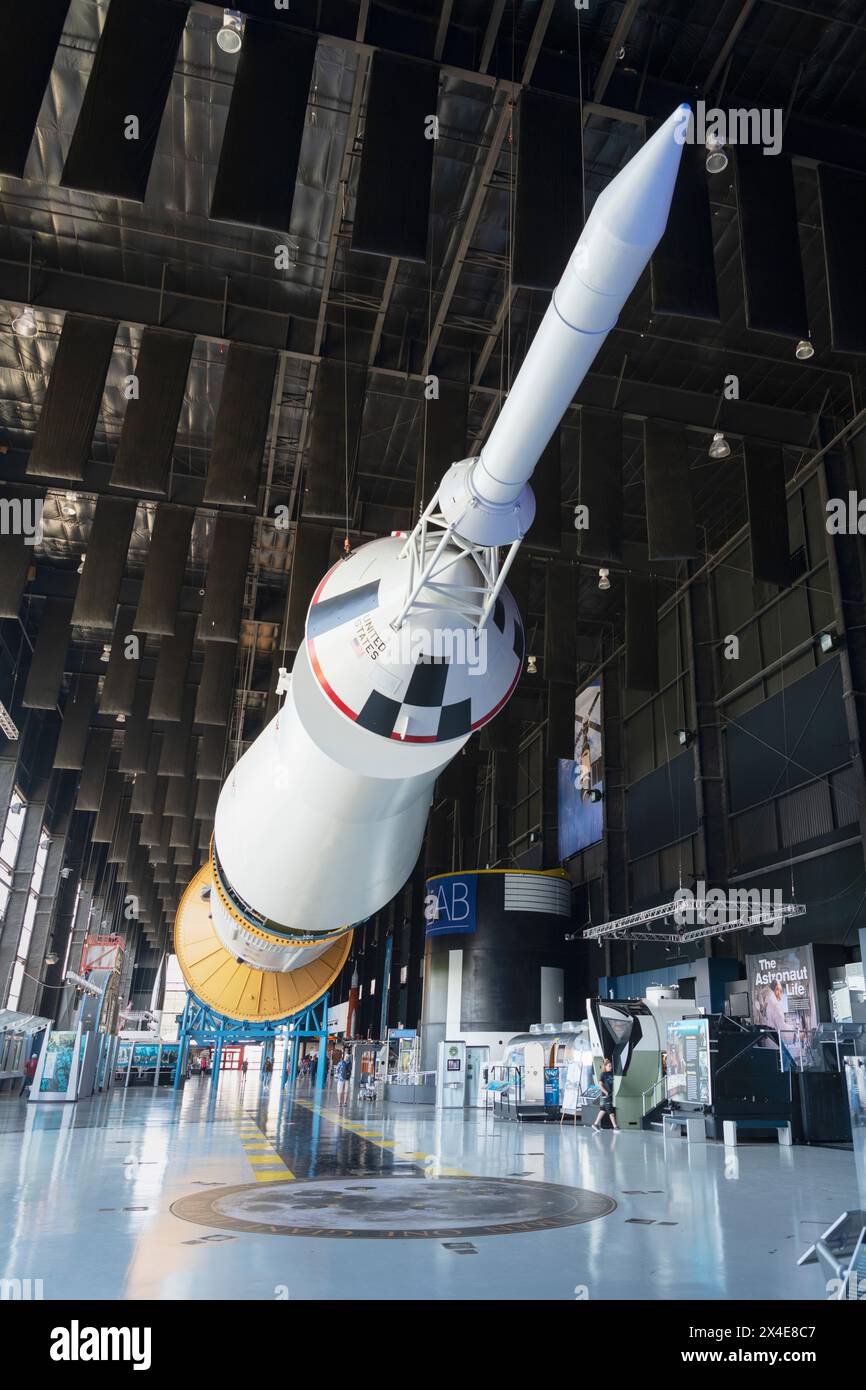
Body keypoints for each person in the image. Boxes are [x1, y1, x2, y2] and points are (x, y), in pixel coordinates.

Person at [592, 1058, 620, 1131]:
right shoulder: (603, 1074)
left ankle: (595, 1124)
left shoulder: (611, 1074)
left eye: (611, 1066)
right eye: (609, 1066)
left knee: (603, 1109)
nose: (611, 1067)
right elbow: (600, 1085)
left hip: (610, 1094)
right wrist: (606, 1092)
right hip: (606, 1096)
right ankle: (615, 1127)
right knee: (611, 1112)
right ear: (605, 1066)